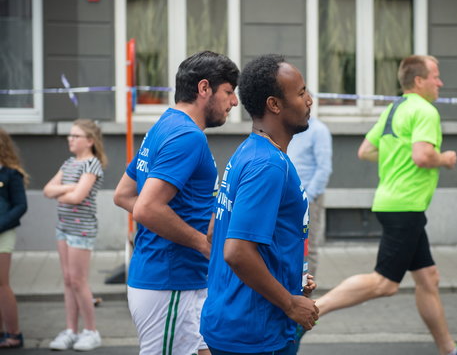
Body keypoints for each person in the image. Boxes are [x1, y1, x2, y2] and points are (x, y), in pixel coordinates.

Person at [313, 55, 457, 355]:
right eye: (436, 76)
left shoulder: (394, 109)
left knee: (429, 278)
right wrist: (446, 159)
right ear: (419, 80)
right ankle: (311, 311)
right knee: (385, 284)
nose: (440, 82)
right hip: (405, 206)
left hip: (394, 203)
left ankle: (449, 349)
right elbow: (423, 156)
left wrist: (397, 157)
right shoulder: (425, 111)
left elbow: (365, 150)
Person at [113, 50, 239, 355]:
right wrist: (202, 243)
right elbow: (145, 207)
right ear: (204, 88)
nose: (234, 102)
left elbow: (124, 195)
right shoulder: (187, 137)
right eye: (229, 92)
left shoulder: (163, 126)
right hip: (170, 281)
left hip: (184, 280)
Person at [200, 54, 319, 355]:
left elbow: (217, 231)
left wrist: (289, 277)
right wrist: (289, 302)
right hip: (252, 332)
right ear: (274, 104)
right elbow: (237, 251)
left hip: (242, 322)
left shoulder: (250, 152)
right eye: (301, 92)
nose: (310, 100)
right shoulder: (267, 165)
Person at [43, 119, 107, 351]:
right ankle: (71, 330)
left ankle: (91, 331)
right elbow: (47, 190)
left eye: (76, 135)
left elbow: (77, 197)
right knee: (68, 281)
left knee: (79, 281)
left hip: (82, 230)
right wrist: (69, 188)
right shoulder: (69, 163)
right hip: (63, 227)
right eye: (70, 135)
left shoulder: (92, 164)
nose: (70, 139)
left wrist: (64, 192)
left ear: (89, 141)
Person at [287, 116, 332, 278]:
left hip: (308, 198)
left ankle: (305, 293)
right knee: (290, 244)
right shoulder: (290, 128)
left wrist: (308, 197)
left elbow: (324, 168)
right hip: (289, 198)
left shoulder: (318, 130)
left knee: (308, 247)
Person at [0, 128, 28, 349]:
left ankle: (14, 334)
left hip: (3, 233)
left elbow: (20, 206)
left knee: (2, 284)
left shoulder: (11, 174)